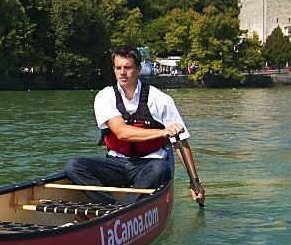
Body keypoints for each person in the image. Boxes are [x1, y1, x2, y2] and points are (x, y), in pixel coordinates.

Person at [63, 46, 205, 205]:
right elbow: (121, 132)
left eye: (128, 67)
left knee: (161, 169)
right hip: (116, 163)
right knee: (73, 165)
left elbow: (181, 142)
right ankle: (113, 206)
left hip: (149, 164)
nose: (122, 72)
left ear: (138, 69)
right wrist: (163, 133)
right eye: (118, 68)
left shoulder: (160, 99)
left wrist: (195, 181)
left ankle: (121, 209)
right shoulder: (105, 96)